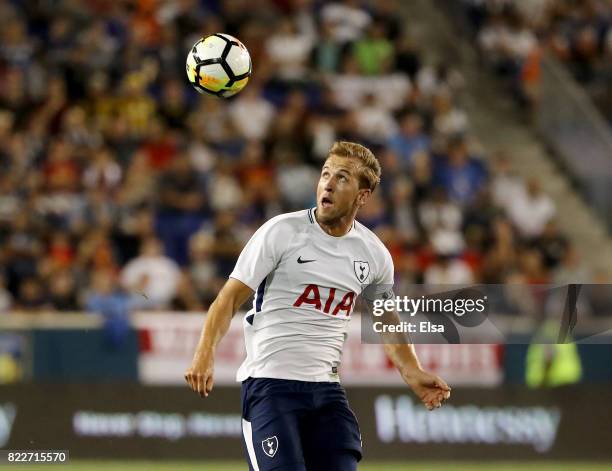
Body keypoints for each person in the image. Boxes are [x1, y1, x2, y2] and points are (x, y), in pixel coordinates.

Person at [185, 141, 451, 471]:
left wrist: (412, 370)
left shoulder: (374, 254)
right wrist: (204, 351)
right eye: (325, 174)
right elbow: (228, 298)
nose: (327, 183)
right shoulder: (281, 232)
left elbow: (386, 320)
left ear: (362, 196)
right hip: (271, 387)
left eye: (342, 177)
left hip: (327, 391)